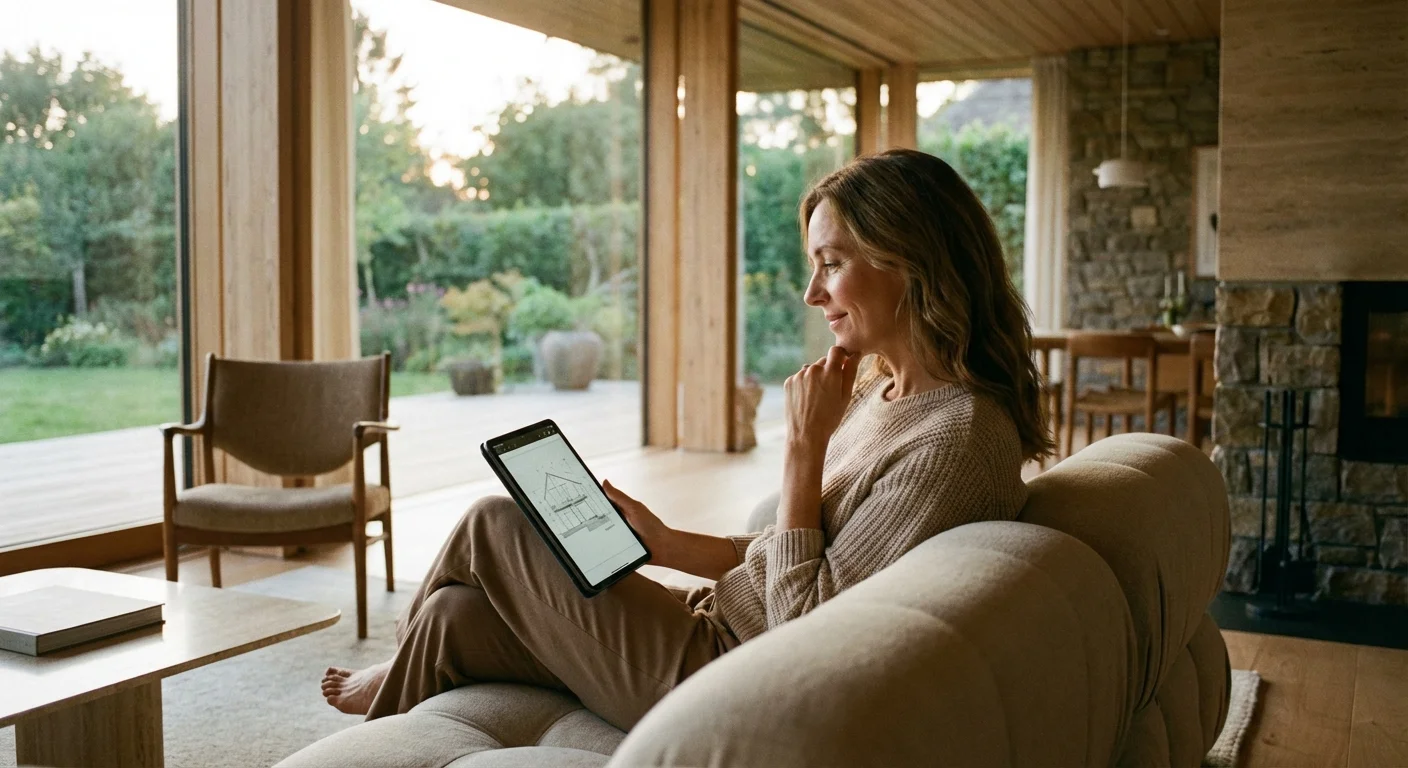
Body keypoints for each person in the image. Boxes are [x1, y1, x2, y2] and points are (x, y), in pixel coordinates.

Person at [321, 148, 1054, 732]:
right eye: (813, 267)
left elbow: (808, 630)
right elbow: (800, 559)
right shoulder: (884, 392)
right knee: (454, 620)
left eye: (832, 263)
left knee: (496, 521)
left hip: (738, 680)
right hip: (711, 629)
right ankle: (395, 724)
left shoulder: (955, 439)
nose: (812, 294)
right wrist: (666, 543)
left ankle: (387, 693)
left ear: (914, 260)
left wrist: (802, 451)